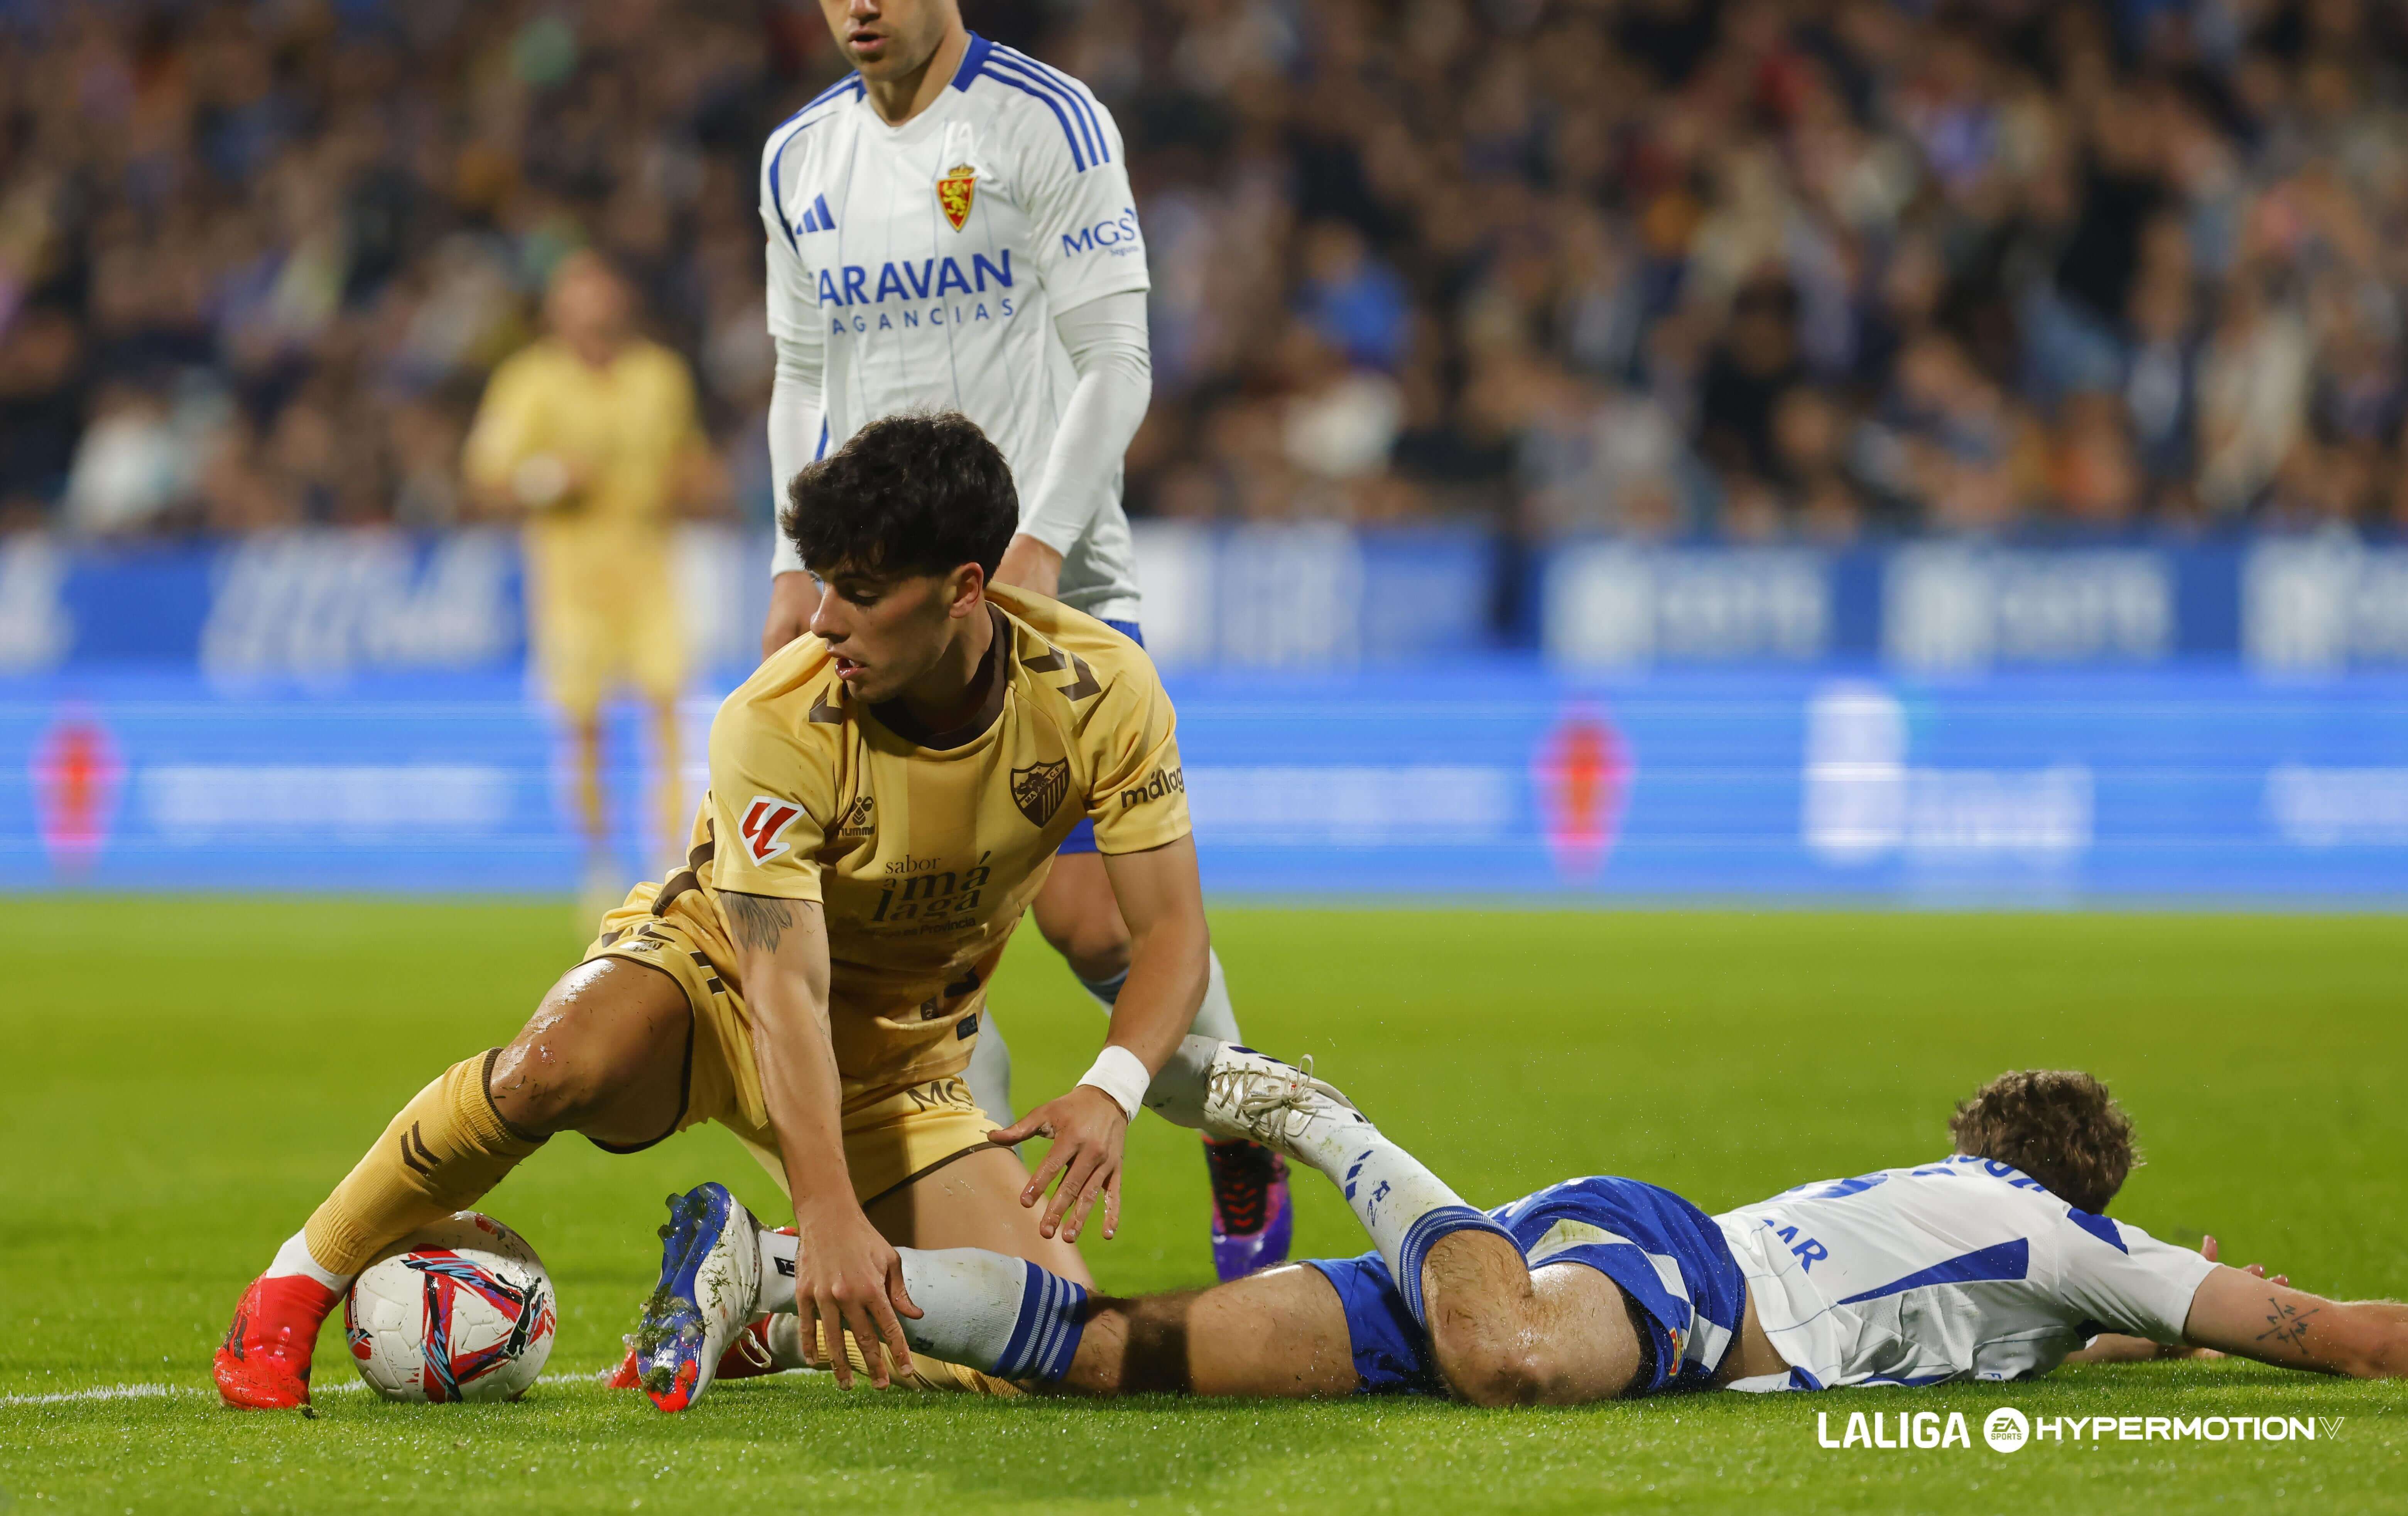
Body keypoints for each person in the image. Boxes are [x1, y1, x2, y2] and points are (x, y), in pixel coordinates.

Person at [213, 412, 1214, 1411]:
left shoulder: (1100, 691)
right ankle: (294, 1284)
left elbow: (1172, 933)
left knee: (1045, 1350)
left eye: (862, 593)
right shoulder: (778, 719)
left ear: (964, 588)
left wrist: (1112, 1087)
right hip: (713, 984)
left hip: (899, 1067)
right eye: (823, 583)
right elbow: (784, 992)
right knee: (553, 1065)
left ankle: (758, 1305)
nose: (823, 620)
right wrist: (827, 1207)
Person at [751, 0, 1291, 1280]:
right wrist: (791, 564)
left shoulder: (1048, 121)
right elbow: (800, 376)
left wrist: (1039, 544)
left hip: (1052, 582)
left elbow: (1117, 359)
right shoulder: (798, 158)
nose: (860, 5)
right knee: (890, 923)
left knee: (1095, 922)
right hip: (888, 602)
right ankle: (971, 1216)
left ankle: (1238, 1115)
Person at [634, 1051, 2407, 1407]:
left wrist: (2166, 1317)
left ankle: (770, 1283)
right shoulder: (2064, 1235)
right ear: (2083, 1192)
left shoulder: (1985, 1230)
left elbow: (2067, 1328)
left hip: (1605, 1239)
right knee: (1511, 1360)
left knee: (1116, 1353)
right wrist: (2230, 1301)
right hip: (1658, 1278)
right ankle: (1323, 1116)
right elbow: (2334, 1333)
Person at [461, 251, 715, 900]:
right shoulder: (530, 381)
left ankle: (670, 860)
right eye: (578, 300)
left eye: (601, 297)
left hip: (651, 568)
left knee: (668, 709)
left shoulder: (659, 375)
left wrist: (692, 483)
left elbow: (690, 458)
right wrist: (548, 480)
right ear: (557, 312)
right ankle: (598, 866)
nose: (593, 313)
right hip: (571, 578)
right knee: (584, 726)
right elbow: (486, 479)